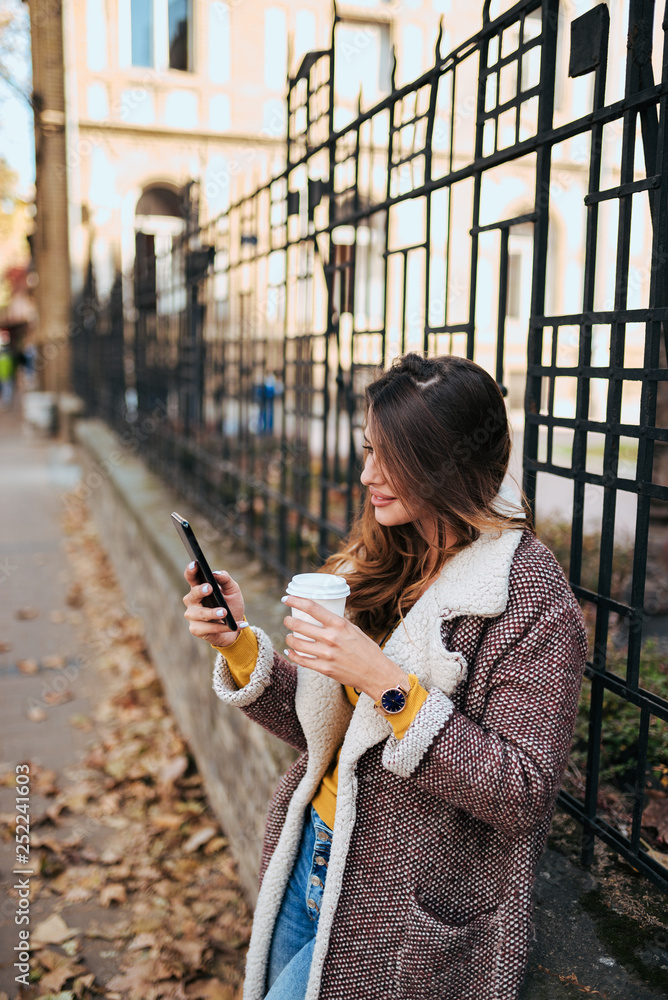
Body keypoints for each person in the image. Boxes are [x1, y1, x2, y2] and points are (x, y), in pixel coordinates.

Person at [182, 353, 588, 1000]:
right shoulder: (385, 557)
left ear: (446, 461)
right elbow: (334, 738)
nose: (368, 473)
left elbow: (523, 791)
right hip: (311, 852)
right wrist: (238, 646)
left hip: (401, 909)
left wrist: (388, 683)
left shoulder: (529, 595)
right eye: (368, 450)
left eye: (389, 457)